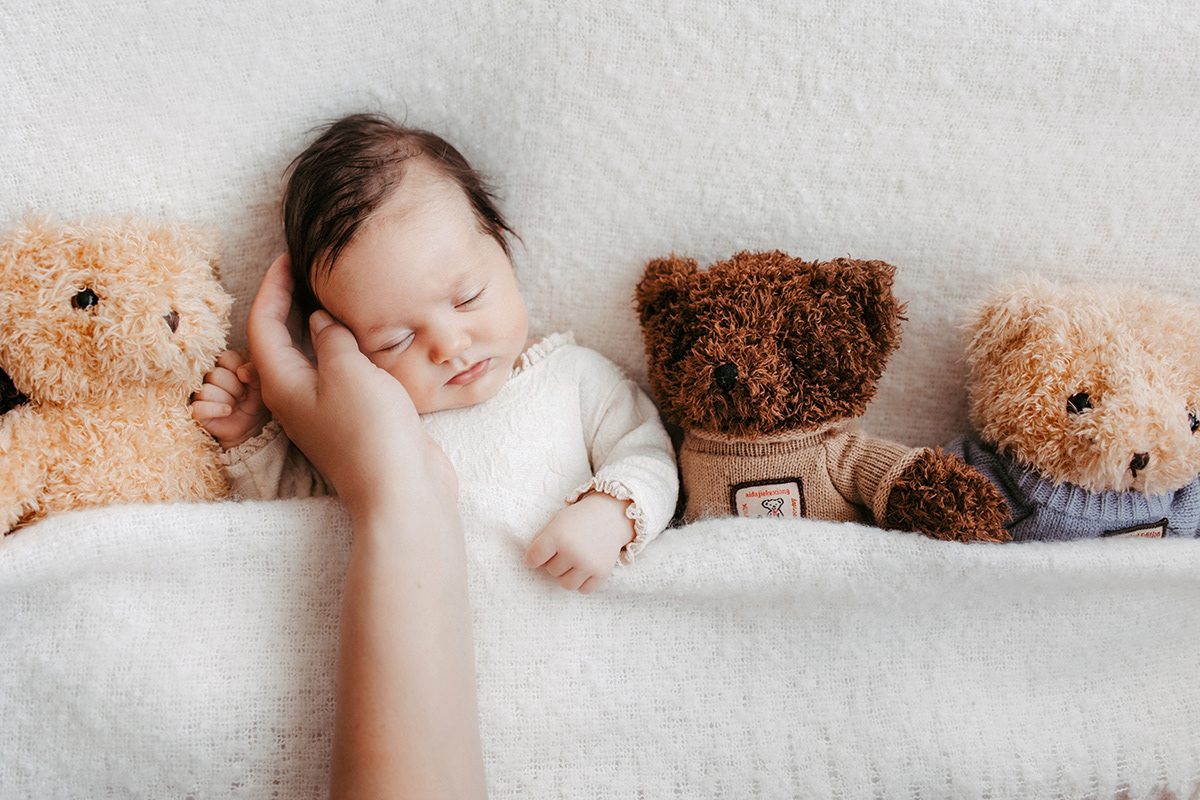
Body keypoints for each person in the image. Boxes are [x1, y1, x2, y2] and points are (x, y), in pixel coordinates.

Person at [192, 112, 677, 593]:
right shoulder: (370, 424)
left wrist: (614, 511)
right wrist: (255, 438)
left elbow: (650, 454)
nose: (449, 346)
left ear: (503, 250)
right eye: (395, 340)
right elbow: (306, 520)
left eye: (467, 297)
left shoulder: (573, 377)